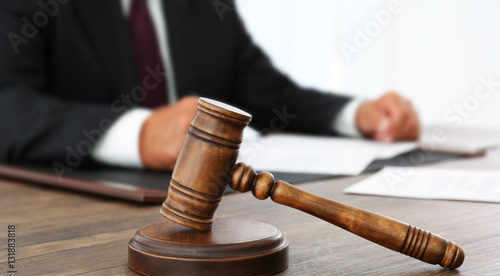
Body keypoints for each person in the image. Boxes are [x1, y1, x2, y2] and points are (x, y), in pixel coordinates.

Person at [0, 0, 419, 172]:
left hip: (210, 215)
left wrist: (358, 114)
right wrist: (139, 134)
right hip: (65, 226)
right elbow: (8, 103)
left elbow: (270, 96)